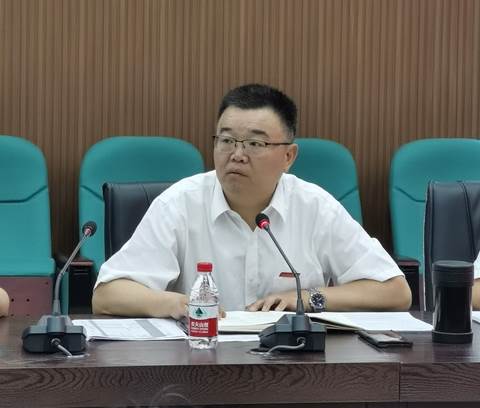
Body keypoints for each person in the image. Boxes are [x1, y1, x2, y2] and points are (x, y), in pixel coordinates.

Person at [92, 83, 411, 319]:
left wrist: (306, 297)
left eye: (255, 144)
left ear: (288, 156)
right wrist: (177, 304)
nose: (237, 155)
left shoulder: (315, 207)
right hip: (199, 366)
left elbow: (395, 291)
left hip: (294, 366)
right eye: (226, 140)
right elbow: (107, 294)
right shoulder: (179, 204)